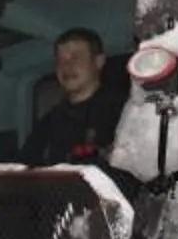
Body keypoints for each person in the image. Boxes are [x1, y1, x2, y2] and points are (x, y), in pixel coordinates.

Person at [22, 26, 125, 165]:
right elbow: (24, 165)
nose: (66, 66)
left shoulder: (123, 112)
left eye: (75, 58)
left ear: (98, 62)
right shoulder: (49, 121)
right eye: (60, 59)